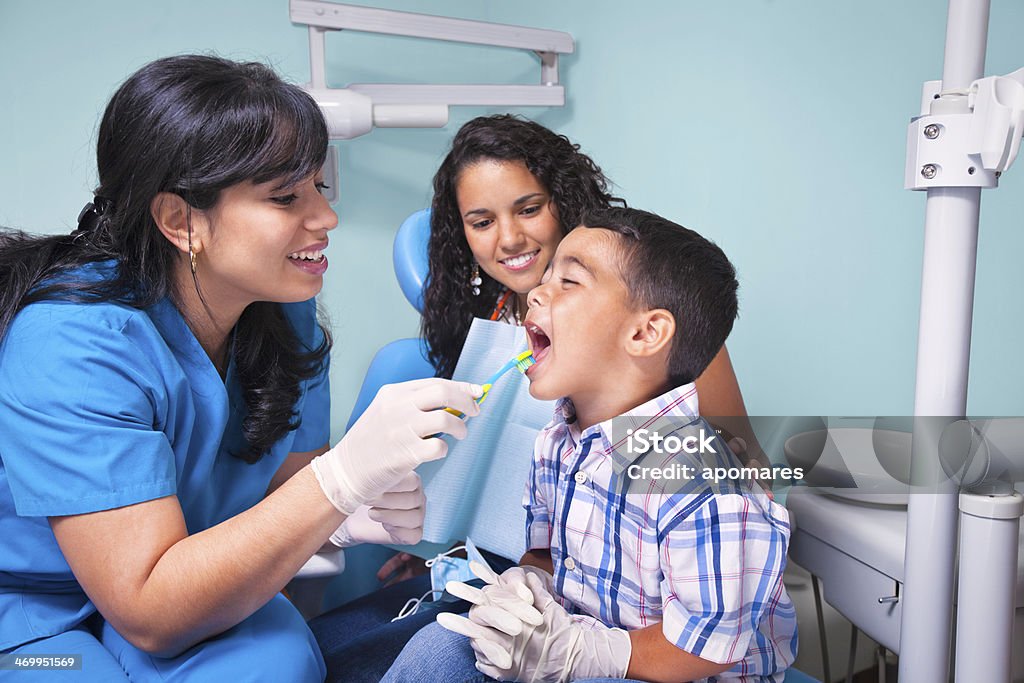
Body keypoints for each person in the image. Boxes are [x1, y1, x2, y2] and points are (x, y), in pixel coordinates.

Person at [0, 55, 481, 682]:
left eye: (318, 186)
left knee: (275, 664)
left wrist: (345, 514)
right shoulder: (72, 345)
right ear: (180, 220)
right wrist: (340, 480)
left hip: (178, 581)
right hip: (34, 620)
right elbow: (149, 608)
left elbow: (284, 488)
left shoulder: (282, 313)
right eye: (285, 197)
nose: (326, 218)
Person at [309, 115, 760, 682]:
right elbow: (508, 495)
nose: (509, 239)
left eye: (528, 209)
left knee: (437, 654)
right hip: (522, 578)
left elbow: (740, 475)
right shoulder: (493, 331)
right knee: (327, 651)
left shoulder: (660, 346)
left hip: (630, 615)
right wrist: (471, 560)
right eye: (481, 221)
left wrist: (594, 646)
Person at [383, 207, 797, 682]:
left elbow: (707, 648)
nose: (537, 291)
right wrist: (529, 587)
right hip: (588, 650)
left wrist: (585, 652)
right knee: (446, 647)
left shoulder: (702, 484)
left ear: (644, 333)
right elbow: (544, 555)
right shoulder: (555, 443)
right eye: (548, 277)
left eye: (569, 282)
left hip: (680, 670)